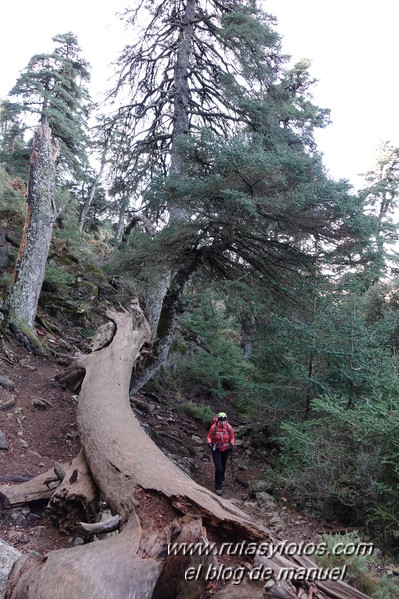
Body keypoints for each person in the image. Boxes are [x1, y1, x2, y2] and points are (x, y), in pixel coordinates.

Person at [207, 411, 234, 495]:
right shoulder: (213, 427)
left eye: (224, 420)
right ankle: (218, 487)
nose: (222, 422)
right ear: (218, 420)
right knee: (219, 468)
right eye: (221, 420)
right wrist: (209, 443)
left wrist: (231, 444)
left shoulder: (229, 428)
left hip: (226, 449)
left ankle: (221, 478)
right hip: (216, 450)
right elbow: (209, 437)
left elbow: (232, 438)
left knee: (223, 465)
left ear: (226, 420)